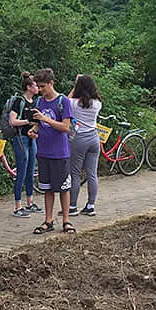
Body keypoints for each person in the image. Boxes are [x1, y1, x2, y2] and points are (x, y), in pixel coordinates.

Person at [30, 68, 76, 234]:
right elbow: (38, 123)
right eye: (38, 87)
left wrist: (45, 119)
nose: (40, 90)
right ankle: (48, 221)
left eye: (43, 86)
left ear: (51, 83)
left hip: (60, 153)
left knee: (63, 187)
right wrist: (34, 129)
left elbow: (65, 127)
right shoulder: (39, 102)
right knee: (47, 188)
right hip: (43, 152)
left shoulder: (63, 101)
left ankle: (66, 220)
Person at [67, 74, 102, 216]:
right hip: (94, 138)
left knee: (75, 173)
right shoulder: (98, 104)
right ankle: (91, 205)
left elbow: (65, 100)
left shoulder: (74, 104)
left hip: (79, 138)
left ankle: (72, 206)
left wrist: (75, 86)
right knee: (92, 174)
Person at [9, 72, 41, 217]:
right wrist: (28, 122)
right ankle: (17, 206)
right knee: (21, 171)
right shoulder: (19, 101)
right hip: (20, 138)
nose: (38, 88)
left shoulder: (34, 102)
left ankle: (29, 202)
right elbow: (12, 121)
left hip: (32, 138)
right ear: (29, 87)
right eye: (35, 85)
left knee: (30, 170)